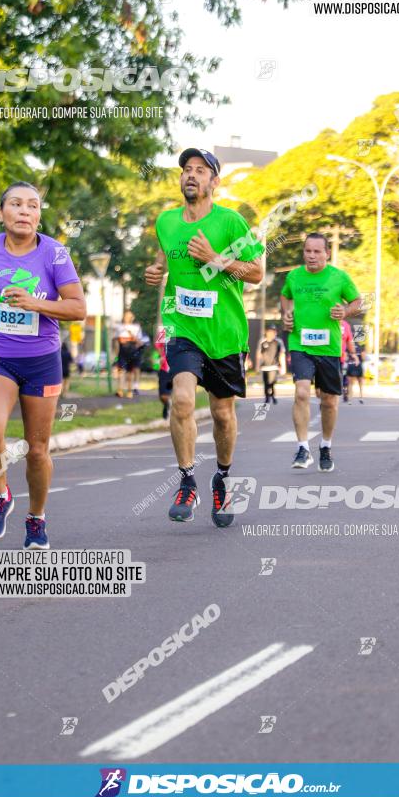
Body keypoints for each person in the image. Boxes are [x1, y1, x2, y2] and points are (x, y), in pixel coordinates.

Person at [0, 181, 86, 549]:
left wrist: (36, 303)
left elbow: (78, 308)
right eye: (16, 204)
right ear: (1, 213)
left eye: (33, 206)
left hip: (41, 361)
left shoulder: (55, 254)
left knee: (36, 450)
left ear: (39, 216)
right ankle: (0, 494)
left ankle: (36, 518)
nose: (25, 211)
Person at [145, 147, 264, 526]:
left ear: (215, 181)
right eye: (186, 170)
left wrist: (215, 258)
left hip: (225, 334)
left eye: (200, 170)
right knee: (181, 400)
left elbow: (257, 272)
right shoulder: (165, 222)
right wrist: (156, 270)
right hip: (182, 326)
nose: (191, 175)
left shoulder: (231, 223)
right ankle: (187, 480)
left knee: (223, 415)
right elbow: (165, 259)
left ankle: (222, 478)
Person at [281, 233, 361, 472]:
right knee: (302, 393)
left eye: (317, 252)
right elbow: (286, 296)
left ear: (327, 253)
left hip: (329, 346)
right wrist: (287, 314)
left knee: (328, 401)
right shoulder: (294, 276)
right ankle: (303, 448)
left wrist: (344, 312)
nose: (312, 256)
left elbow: (357, 301)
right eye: (307, 251)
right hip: (300, 344)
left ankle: (325, 446)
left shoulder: (339, 277)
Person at [113, 310, 143, 398]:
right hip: (122, 350)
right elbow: (115, 340)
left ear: (132, 318)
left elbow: (140, 342)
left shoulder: (136, 327)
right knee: (121, 371)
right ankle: (120, 390)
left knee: (130, 372)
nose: (127, 318)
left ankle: (130, 391)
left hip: (132, 350)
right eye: (125, 316)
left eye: (129, 316)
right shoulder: (119, 327)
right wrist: (116, 352)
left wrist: (132, 335)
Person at [255, 325, 286, 405]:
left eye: (273, 331)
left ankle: (273, 396)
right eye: (270, 331)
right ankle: (267, 398)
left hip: (274, 366)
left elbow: (282, 354)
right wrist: (257, 366)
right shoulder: (262, 341)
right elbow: (259, 354)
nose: (272, 333)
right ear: (266, 332)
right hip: (265, 367)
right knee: (266, 383)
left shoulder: (278, 342)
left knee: (272, 382)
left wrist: (283, 367)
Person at [154, 327, 173, 420]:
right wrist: (161, 357)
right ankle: (168, 405)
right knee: (163, 396)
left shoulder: (185, 328)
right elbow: (158, 346)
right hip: (165, 367)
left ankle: (173, 410)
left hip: (178, 368)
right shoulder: (168, 329)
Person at [340, 320, 356, 403]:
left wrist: (353, 354)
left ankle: (345, 390)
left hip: (342, 360)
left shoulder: (345, 325)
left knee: (344, 376)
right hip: (326, 357)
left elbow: (349, 341)